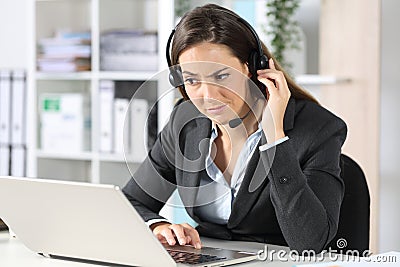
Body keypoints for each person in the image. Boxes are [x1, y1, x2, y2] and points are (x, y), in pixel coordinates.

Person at [122, 4, 347, 253]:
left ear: (252, 68)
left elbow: (310, 242)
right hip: (208, 258)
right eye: (192, 80)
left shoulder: (318, 129)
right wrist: (158, 225)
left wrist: (275, 139)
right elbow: (131, 200)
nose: (208, 96)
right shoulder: (186, 122)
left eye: (221, 76)